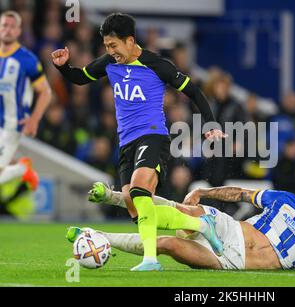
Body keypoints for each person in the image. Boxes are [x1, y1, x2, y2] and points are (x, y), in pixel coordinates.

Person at [52, 13, 227, 271]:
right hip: (126, 143)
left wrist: (210, 125)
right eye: (107, 46)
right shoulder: (108, 63)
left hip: (153, 135)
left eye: (114, 46)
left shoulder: (157, 65)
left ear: (130, 40)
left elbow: (194, 91)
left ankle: (150, 260)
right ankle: (200, 225)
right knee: (136, 206)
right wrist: (63, 67)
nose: (110, 51)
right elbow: (80, 78)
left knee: (139, 189)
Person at [71, 184, 295, 272]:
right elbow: (240, 192)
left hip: (229, 262)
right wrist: (206, 191)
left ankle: (100, 240)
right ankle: (116, 197)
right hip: (228, 230)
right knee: (188, 210)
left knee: (166, 243)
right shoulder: (286, 199)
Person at [0, 11, 52, 196]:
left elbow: (45, 91)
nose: (7, 30)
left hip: (12, 124)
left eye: (12, 26)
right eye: (4, 25)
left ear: (19, 31)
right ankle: (21, 169)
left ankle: (21, 170)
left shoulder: (27, 59)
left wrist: (34, 120)